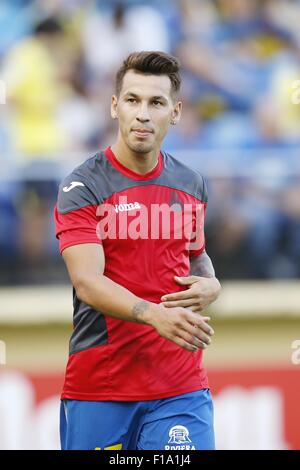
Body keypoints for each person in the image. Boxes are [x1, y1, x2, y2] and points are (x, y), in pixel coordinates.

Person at [54, 51, 221, 451]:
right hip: (102, 386)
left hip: (180, 387)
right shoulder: (82, 187)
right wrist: (154, 315)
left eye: (156, 103)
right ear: (115, 107)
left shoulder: (191, 183)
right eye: (132, 100)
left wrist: (211, 283)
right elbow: (88, 283)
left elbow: (195, 254)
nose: (142, 114)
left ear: (176, 112)